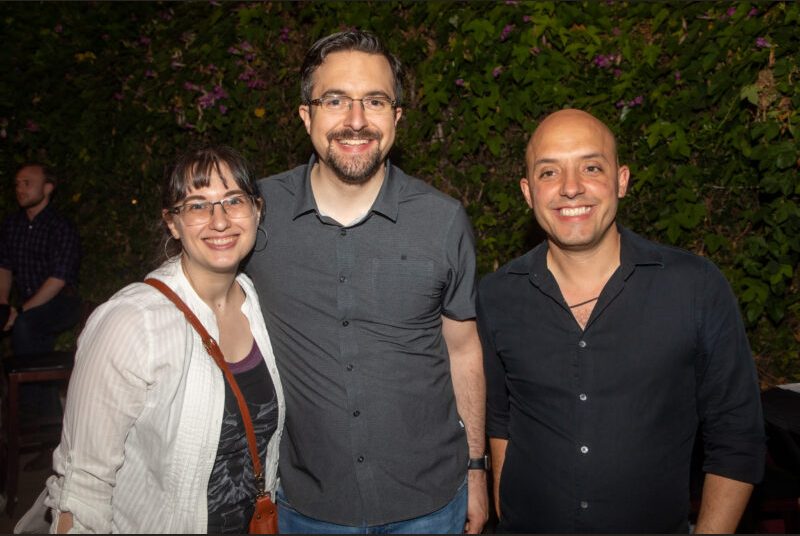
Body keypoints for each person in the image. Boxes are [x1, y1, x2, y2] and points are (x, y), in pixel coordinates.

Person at [477, 108, 766, 533]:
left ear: (622, 179)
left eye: (591, 167)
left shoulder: (695, 288)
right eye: (549, 172)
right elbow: (500, 421)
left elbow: (737, 438)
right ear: (527, 192)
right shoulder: (496, 295)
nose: (571, 188)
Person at [246, 30, 488, 534]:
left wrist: (476, 471)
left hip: (431, 504)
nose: (356, 121)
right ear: (306, 115)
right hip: (306, 507)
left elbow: (463, 351)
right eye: (335, 100)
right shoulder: (256, 218)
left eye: (374, 101)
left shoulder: (443, 221)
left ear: (397, 117)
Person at [42, 146, 285, 533]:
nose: (219, 221)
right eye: (197, 205)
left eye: (233, 200)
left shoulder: (259, 305)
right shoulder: (132, 322)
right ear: (172, 223)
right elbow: (83, 487)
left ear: (257, 210)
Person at [0, 163, 81, 356]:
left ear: (47, 188)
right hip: (24, 301)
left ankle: (35, 385)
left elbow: (58, 280)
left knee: (26, 323)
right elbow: (4, 266)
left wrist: (19, 311)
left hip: (61, 302)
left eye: (27, 183)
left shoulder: (61, 227)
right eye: (17, 184)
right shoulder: (12, 224)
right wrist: (3, 303)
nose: (20, 189)